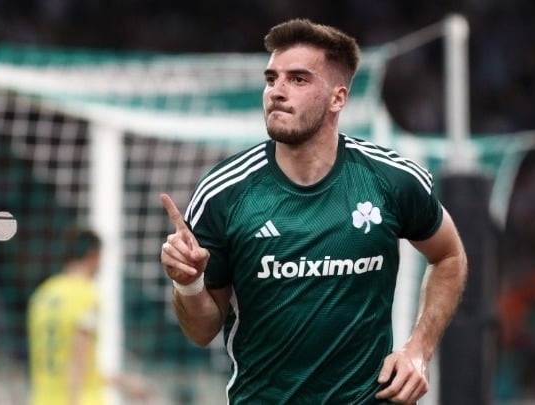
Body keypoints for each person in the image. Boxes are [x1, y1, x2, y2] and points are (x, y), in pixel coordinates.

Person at [159, 18, 468, 405]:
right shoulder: (224, 192)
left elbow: (450, 256)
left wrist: (418, 350)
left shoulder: (391, 179)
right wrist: (188, 283)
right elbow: (202, 330)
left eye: (298, 79)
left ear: (338, 98)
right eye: (272, 79)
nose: (277, 91)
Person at [27, 226, 149, 405]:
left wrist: (122, 382)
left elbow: (64, 366)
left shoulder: (41, 296)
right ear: (94, 255)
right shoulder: (86, 295)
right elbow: (78, 357)